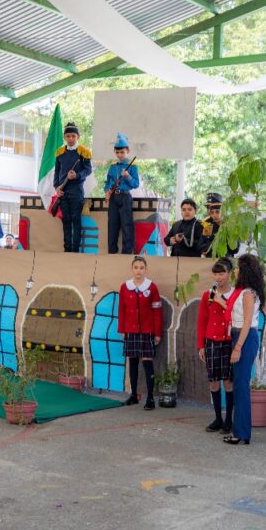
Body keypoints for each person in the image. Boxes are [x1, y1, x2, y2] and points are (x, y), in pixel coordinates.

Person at [224, 254, 265, 446]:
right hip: (240, 335)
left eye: (238, 268)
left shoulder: (248, 293)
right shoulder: (243, 291)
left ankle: (240, 432)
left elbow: (247, 321)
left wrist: (238, 347)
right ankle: (241, 431)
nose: (235, 271)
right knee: (239, 385)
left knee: (241, 386)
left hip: (244, 337)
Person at [117, 256, 163, 409]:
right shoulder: (125, 287)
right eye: (136, 267)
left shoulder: (152, 287)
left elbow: (157, 311)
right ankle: (133, 395)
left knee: (148, 363)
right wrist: (122, 329)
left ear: (145, 269)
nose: (138, 270)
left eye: (141, 268)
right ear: (132, 269)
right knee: (133, 363)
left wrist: (157, 333)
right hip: (130, 331)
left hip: (147, 331)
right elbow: (121, 310)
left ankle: (150, 398)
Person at [197, 258, 235, 433]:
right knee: (213, 381)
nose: (219, 277)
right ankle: (218, 418)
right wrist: (201, 346)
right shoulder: (207, 295)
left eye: (222, 273)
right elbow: (202, 322)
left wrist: (221, 301)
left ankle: (229, 420)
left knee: (228, 381)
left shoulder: (236, 295)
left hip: (228, 341)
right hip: (211, 341)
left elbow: (236, 315)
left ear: (229, 274)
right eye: (216, 274)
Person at [53, 121, 93, 253]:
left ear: (78, 137)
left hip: (76, 191)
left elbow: (88, 170)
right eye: (68, 136)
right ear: (65, 137)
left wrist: (76, 175)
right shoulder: (59, 153)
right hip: (63, 192)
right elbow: (56, 172)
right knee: (66, 221)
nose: (71, 138)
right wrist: (57, 188)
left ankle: (75, 251)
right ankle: (67, 250)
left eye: (73, 136)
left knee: (76, 220)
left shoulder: (84, 152)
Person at [104, 133, 139, 255]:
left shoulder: (133, 166)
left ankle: (127, 253)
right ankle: (112, 252)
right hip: (114, 197)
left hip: (125, 196)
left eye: (122, 152)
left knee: (126, 225)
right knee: (112, 225)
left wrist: (128, 176)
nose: (120, 155)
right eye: (117, 152)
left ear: (128, 151)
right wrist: (107, 192)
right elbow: (108, 181)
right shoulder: (112, 166)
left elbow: (135, 184)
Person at [201, 193, 237, 258]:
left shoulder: (231, 225)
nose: (214, 215)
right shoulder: (207, 225)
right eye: (208, 208)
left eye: (217, 211)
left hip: (226, 260)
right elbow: (202, 245)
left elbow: (235, 249)